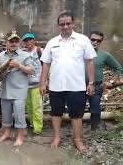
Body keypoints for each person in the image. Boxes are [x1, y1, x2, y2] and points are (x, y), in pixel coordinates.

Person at [40, 11, 97, 153]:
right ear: (58, 26)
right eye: (62, 24)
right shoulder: (52, 42)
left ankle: (77, 140)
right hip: (56, 86)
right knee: (56, 113)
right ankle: (57, 137)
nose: (65, 26)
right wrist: (43, 83)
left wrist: (91, 82)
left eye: (68, 23)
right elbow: (46, 64)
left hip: (76, 86)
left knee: (77, 115)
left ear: (73, 24)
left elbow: (89, 61)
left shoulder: (83, 40)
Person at [0, 31, 34, 147]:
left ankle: (20, 136)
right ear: (6, 42)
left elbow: (32, 71)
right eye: (11, 41)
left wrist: (19, 66)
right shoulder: (1, 56)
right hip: (5, 89)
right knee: (6, 113)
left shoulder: (25, 55)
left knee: (19, 114)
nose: (14, 43)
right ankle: (7, 133)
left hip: (19, 90)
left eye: (16, 41)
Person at [87, 31, 122, 130]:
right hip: (79, 85)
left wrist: (111, 82)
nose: (95, 42)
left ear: (101, 42)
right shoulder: (80, 53)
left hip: (97, 86)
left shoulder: (104, 55)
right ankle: (78, 130)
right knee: (77, 108)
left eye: (98, 40)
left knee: (95, 110)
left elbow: (118, 68)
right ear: (88, 39)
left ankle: (94, 130)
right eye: (93, 39)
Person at [21, 32, 44, 135]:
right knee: (29, 107)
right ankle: (32, 124)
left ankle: (38, 128)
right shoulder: (23, 54)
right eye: (26, 40)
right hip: (26, 84)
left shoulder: (40, 51)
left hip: (37, 84)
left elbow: (47, 66)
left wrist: (45, 82)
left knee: (37, 106)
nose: (28, 42)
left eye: (30, 39)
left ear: (34, 40)